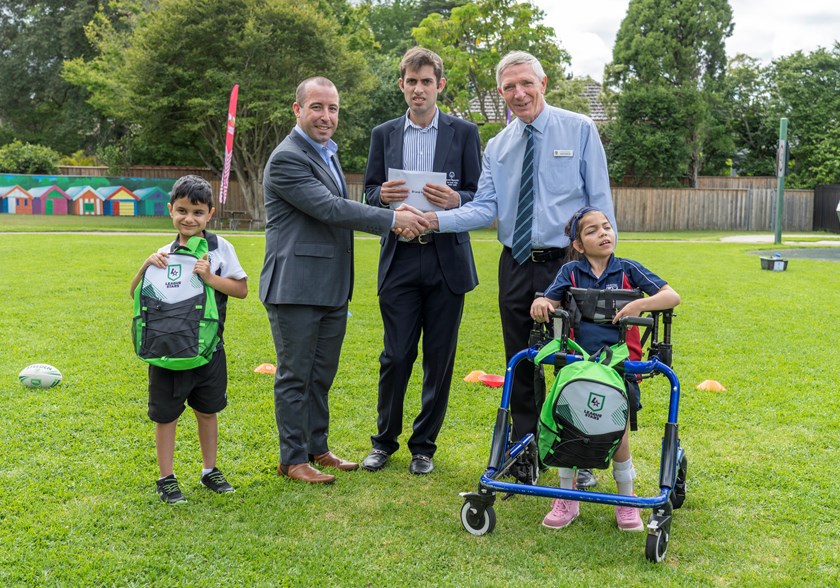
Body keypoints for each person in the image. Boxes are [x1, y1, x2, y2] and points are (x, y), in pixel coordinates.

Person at [421, 51, 615, 478]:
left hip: (568, 265)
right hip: (515, 264)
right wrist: (435, 220)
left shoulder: (579, 129)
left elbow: (599, 202)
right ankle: (526, 453)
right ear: (501, 93)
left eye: (526, 83)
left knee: (572, 360)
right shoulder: (498, 146)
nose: (519, 93)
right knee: (522, 360)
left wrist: (605, 267)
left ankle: (577, 455)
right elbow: (484, 208)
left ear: (543, 83)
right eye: (510, 87)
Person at [260, 76, 429, 484]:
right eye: (317, 107)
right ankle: (292, 459)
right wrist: (392, 219)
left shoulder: (327, 153)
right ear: (297, 110)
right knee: (295, 375)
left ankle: (317, 447)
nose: (326, 116)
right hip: (295, 287)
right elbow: (330, 208)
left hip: (330, 286)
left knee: (320, 375)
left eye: (333, 108)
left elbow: (339, 207)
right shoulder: (288, 157)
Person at [360, 47, 481, 475]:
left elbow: (477, 195)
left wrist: (456, 200)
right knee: (395, 356)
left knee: (439, 358)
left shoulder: (464, 133)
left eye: (426, 81)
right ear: (402, 85)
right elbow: (368, 193)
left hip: (447, 260)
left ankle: (423, 447)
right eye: (411, 81)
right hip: (400, 260)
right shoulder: (383, 134)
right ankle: (383, 442)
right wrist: (382, 197)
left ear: (439, 85)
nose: (418, 89)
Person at [531, 206, 681, 530]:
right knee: (568, 427)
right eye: (592, 230)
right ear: (579, 245)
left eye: (607, 227)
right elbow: (545, 303)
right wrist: (542, 304)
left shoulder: (628, 269)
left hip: (620, 366)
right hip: (579, 364)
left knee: (619, 433)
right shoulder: (570, 272)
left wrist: (640, 303)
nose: (603, 233)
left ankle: (626, 501)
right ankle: (567, 500)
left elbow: (672, 296)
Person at [130, 175, 248, 504]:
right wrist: (145, 265)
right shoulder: (163, 252)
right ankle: (166, 477)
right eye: (182, 210)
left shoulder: (221, 248)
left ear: (210, 213)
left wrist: (210, 278)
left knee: (208, 411)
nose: (189, 218)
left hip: (208, 351)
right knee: (166, 416)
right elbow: (133, 293)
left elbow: (241, 290)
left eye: (197, 212)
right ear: (170, 211)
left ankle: (209, 470)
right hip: (166, 352)